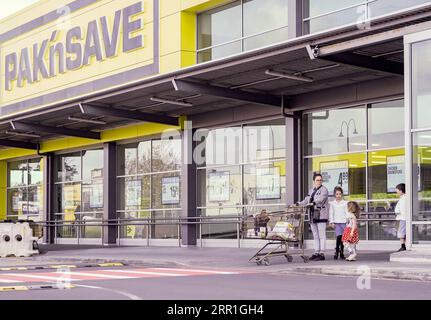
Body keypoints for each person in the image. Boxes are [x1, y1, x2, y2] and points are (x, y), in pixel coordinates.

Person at [298, 173, 329, 261]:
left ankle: (322, 253)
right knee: (315, 235)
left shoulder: (324, 190)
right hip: (312, 214)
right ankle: (316, 252)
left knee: (321, 234)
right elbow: (306, 200)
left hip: (321, 214)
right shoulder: (311, 190)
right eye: (317, 180)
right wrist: (299, 203)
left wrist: (313, 203)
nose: (319, 181)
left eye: (320, 180)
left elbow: (321, 199)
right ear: (314, 181)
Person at [329, 186, 348, 260]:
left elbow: (347, 213)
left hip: (344, 222)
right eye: (337, 194)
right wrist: (331, 222)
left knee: (343, 239)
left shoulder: (345, 203)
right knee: (338, 237)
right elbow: (331, 213)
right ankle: (337, 251)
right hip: (337, 223)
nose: (338, 195)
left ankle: (342, 252)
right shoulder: (332, 203)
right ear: (334, 195)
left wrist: (348, 222)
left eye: (340, 194)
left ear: (342, 194)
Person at [394, 183, 407, 252]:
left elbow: (401, 210)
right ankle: (404, 246)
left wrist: (397, 212)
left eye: (397, 190)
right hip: (402, 218)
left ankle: (403, 246)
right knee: (402, 233)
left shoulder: (403, 199)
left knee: (401, 233)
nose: (396, 191)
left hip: (402, 218)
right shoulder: (403, 198)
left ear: (401, 190)